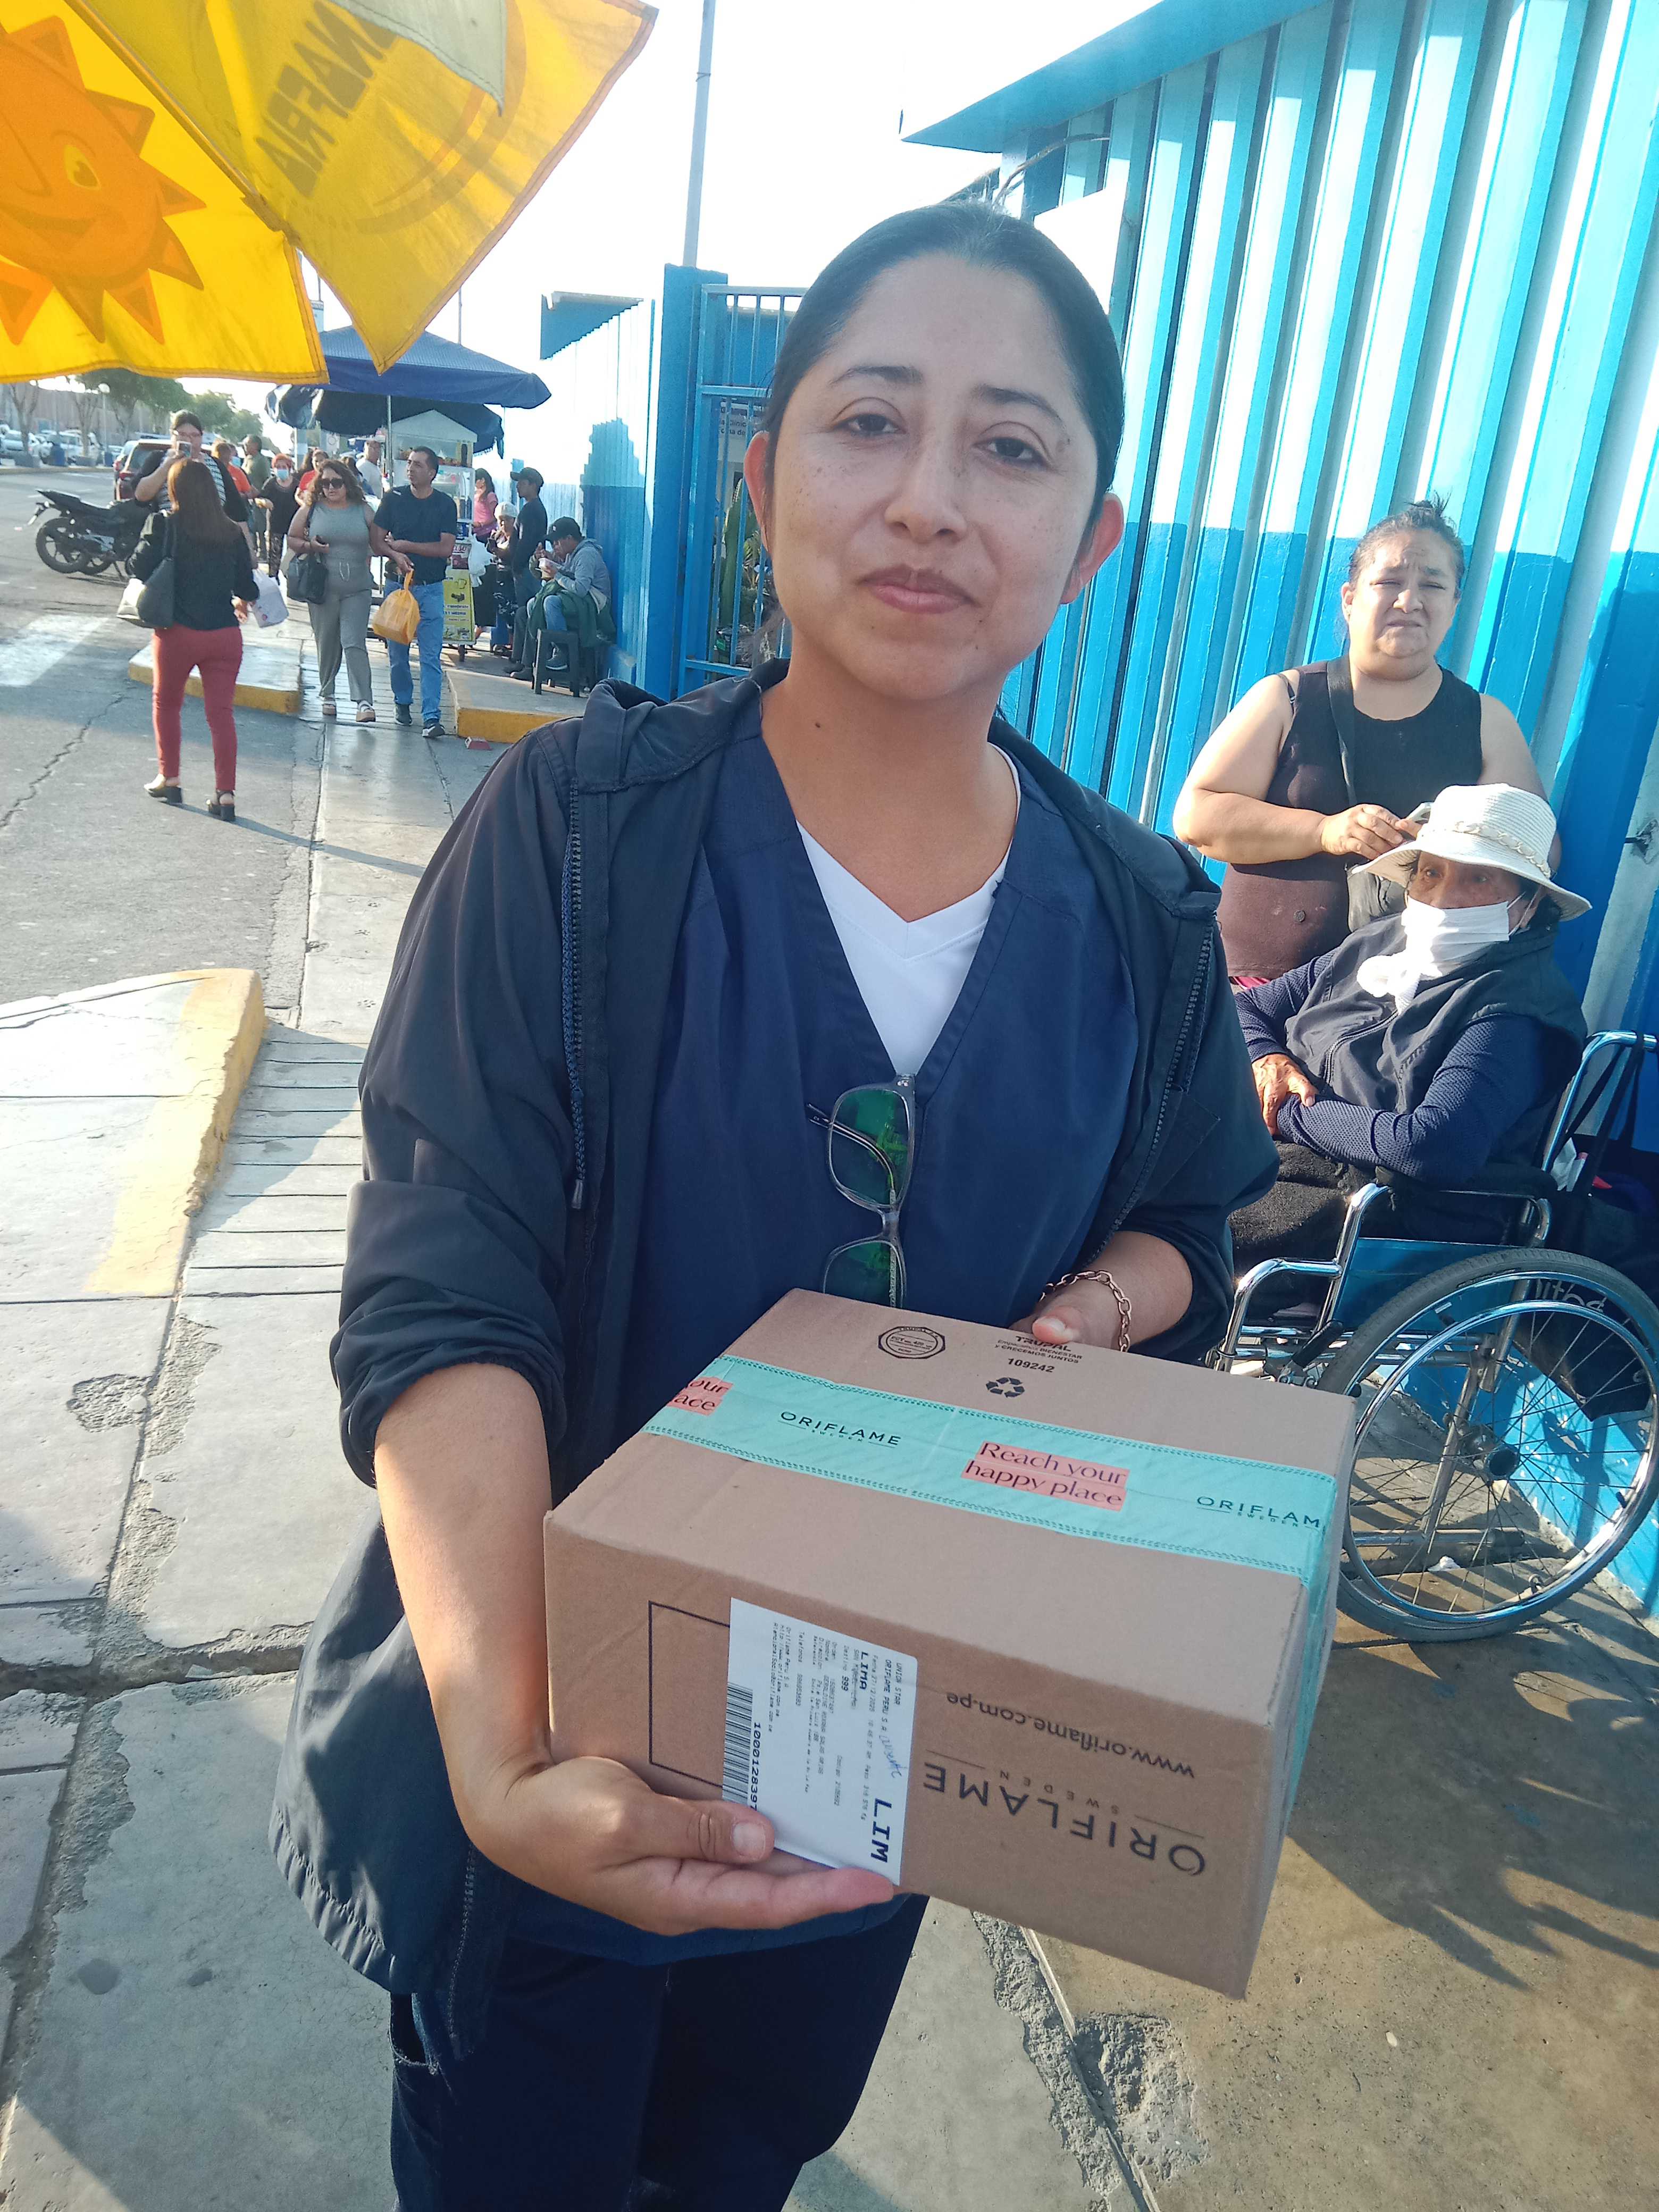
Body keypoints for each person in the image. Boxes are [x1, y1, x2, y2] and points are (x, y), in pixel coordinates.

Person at [271, 200, 1275, 2208]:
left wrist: (1100, 1305)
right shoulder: (576, 836)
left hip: (876, 1778)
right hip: (552, 1755)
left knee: (747, 2151)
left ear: (1090, 539)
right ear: (761, 480)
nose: (928, 500)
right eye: (867, 422)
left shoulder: (1142, 920)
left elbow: (1189, 1224)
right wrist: (498, 1746)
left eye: (1008, 447)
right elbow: (445, 1287)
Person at [1173, 497, 1551, 983]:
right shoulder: (1286, 698)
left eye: (1432, 585)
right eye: (1389, 582)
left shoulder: (1486, 721)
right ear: (1350, 599)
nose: (1409, 601)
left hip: (1396, 1006)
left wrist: (1444, 848)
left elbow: (1537, 854)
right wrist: (1325, 831)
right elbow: (1196, 816)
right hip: (1247, 990)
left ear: (1454, 606)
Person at [1229, 783, 1588, 1272]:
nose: (1443, 899)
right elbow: (1249, 1008)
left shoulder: (1516, 1008)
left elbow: (1432, 1146)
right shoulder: (1380, 942)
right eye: (1431, 873)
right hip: (1284, 1159)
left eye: (1479, 878)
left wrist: (1285, 1108)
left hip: (1381, 1205)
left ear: (1531, 902)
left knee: (1180, 1228)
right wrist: (1267, 1060)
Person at [131, 457, 257, 823]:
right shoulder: (231, 531)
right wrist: (239, 598)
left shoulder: (164, 523)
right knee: (221, 715)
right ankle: (225, 794)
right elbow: (247, 587)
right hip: (224, 635)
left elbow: (137, 567)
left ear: (175, 489)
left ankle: (169, 779)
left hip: (177, 632)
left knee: (167, 704)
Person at [288, 457, 407, 724]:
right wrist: (311, 546)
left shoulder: (363, 510)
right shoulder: (312, 509)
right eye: (325, 483)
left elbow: (379, 542)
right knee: (327, 642)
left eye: (337, 482)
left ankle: (364, 701)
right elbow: (292, 538)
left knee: (354, 642)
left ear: (348, 484)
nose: (331, 488)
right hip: (322, 589)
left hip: (357, 589)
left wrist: (394, 551)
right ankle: (328, 694)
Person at [373, 445, 458, 736]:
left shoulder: (445, 505)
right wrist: (395, 555)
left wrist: (407, 546)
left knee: (431, 656)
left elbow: (445, 548)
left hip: (430, 588)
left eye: (418, 465)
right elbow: (376, 541)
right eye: (409, 463)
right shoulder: (394, 498)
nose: (411, 469)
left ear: (432, 473)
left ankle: (432, 716)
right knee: (398, 654)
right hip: (398, 587)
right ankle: (402, 702)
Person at [521, 515, 615, 688]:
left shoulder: (586, 554)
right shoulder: (572, 555)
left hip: (594, 606)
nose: (556, 546)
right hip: (579, 603)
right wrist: (543, 562)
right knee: (533, 604)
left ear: (570, 539)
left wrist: (557, 575)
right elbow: (566, 574)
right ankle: (545, 652)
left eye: (558, 542)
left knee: (551, 602)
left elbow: (580, 589)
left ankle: (562, 654)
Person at [134, 411, 250, 544]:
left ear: (202, 437)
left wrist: (249, 550)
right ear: (173, 435)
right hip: (170, 539)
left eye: (194, 435)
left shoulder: (216, 466)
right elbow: (140, 497)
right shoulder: (158, 460)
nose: (189, 440)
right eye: (182, 435)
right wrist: (167, 466)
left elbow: (237, 512)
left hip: (212, 541)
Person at [502, 466, 548, 676]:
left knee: (529, 614)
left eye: (522, 482)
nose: (518, 486)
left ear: (533, 485)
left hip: (527, 570)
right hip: (525, 568)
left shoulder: (532, 510)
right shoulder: (532, 508)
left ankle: (528, 663)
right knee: (524, 613)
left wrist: (517, 566)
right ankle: (521, 659)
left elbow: (526, 542)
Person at [262, 453, 300, 580]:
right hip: (275, 524)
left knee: (291, 556)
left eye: (284, 467)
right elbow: (260, 498)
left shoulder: (296, 484)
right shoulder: (271, 483)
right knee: (274, 555)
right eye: (278, 467)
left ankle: (290, 579)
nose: (281, 470)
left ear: (289, 468)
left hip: (292, 525)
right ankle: (273, 579)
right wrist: (264, 502)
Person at [242, 434, 272, 562]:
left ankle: (264, 552)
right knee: (251, 526)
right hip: (247, 499)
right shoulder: (247, 460)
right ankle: (253, 550)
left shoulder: (262, 460)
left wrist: (261, 493)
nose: (245, 446)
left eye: (248, 444)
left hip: (259, 498)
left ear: (256, 445)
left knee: (261, 526)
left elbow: (267, 479)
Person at [356, 437, 387, 504]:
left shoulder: (374, 466)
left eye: (379, 448)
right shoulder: (363, 466)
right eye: (374, 448)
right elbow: (362, 488)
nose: (377, 451)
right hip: (370, 504)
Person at [473, 467, 499, 537]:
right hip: (476, 532)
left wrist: (481, 524)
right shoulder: (476, 494)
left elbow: (495, 516)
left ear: (483, 480)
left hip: (487, 533)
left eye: (476, 481)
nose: (474, 484)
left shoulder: (490, 496)